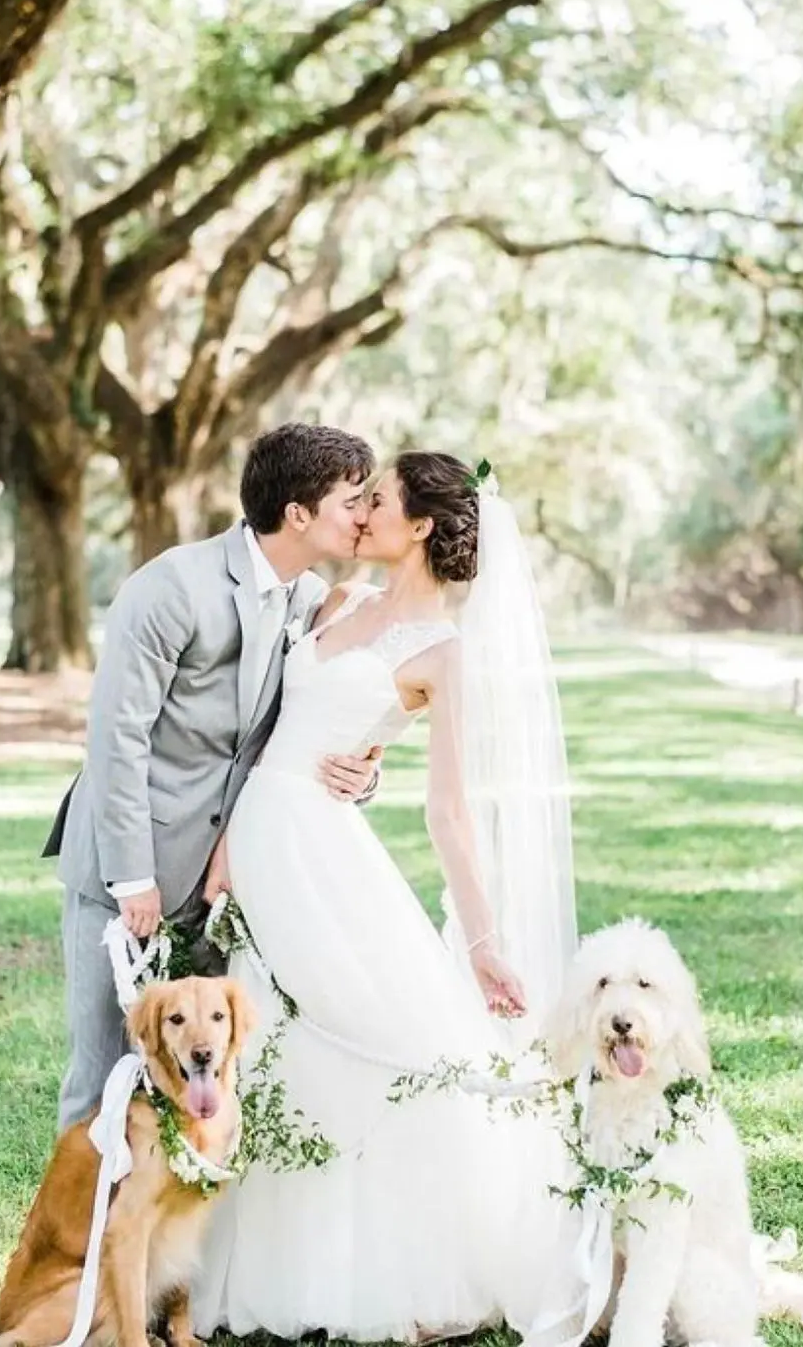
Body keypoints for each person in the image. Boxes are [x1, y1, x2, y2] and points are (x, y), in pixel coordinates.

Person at [194, 451, 578, 1342]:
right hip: (261, 837)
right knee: (270, 1037)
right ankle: (246, 1261)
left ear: (422, 528)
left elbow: (450, 811)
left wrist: (481, 941)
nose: (360, 512)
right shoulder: (338, 600)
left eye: (379, 500)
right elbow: (273, 728)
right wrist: (230, 844)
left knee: (366, 1035)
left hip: (322, 854)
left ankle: (381, 1275)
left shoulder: (442, 655)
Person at [42, 423, 384, 1131]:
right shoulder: (170, 587)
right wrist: (131, 878)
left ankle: (172, 1204)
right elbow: (116, 739)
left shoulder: (311, 600)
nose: (365, 515)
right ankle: (81, 1207)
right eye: (351, 501)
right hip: (126, 869)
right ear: (298, 512)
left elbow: (302, 728)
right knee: (102, 1074)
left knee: (202, 1073)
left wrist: (362, 772)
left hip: (227, 880)